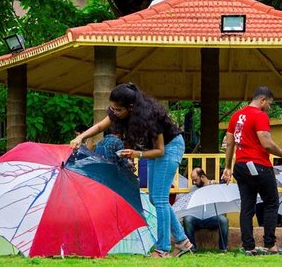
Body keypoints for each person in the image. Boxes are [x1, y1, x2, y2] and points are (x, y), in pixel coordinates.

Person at [70, 83, 192, 258]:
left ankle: (163, 248)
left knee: (159, 198)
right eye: (112, 108)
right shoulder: (117, 112)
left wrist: (137, 153)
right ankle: (183, 241)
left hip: (170, 147)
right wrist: (80, 137)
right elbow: (99, 127)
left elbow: (160, 150)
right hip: (152, 150)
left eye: (118, 110)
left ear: (131, 107)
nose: (114, 113)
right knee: (154, 197)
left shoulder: (151, 116)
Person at [222, 86, 282, 256]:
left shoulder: (236, 116)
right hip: (259, 165)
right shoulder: (259, 115)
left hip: (240, 166)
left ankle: (249, 247)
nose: (269, 107)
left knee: (247, 207)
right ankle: (270, 245)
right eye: (269, 104)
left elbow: (230, 144)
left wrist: (227, 167)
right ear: (262, 100)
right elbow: (267, 144)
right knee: (271, 203)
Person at [182, 167, 229, 252]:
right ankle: (192, 248)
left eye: (196, 180)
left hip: (211, 218)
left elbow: (224, 192)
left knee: (223, 220)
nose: (194, 182)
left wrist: (216, 185)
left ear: (203, 177)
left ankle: (223, 248)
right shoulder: (193, 189)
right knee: (187, 219)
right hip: (197, 218)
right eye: (193, 180)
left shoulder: (215, 186)